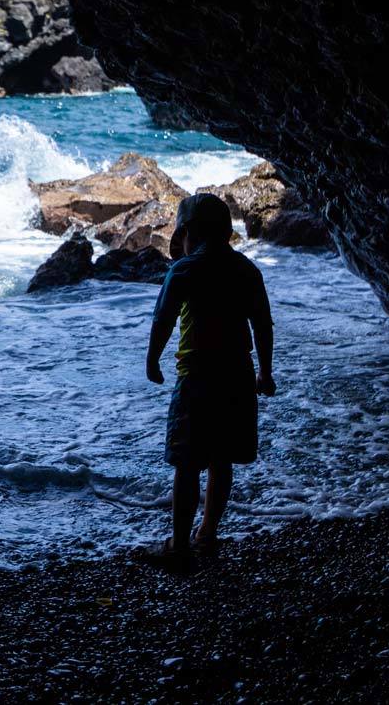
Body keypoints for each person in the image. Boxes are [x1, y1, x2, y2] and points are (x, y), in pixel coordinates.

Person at [144, 192, 276, 569]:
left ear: (187, 233)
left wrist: (152, 359)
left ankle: (180, 545)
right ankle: (208, 535)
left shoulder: (183, 270)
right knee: (222, 459)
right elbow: (262, 324)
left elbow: (163, 320)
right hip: (237, 374)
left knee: (187, 463)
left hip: (196, 377)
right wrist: (264, 371)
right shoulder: (246, 270)